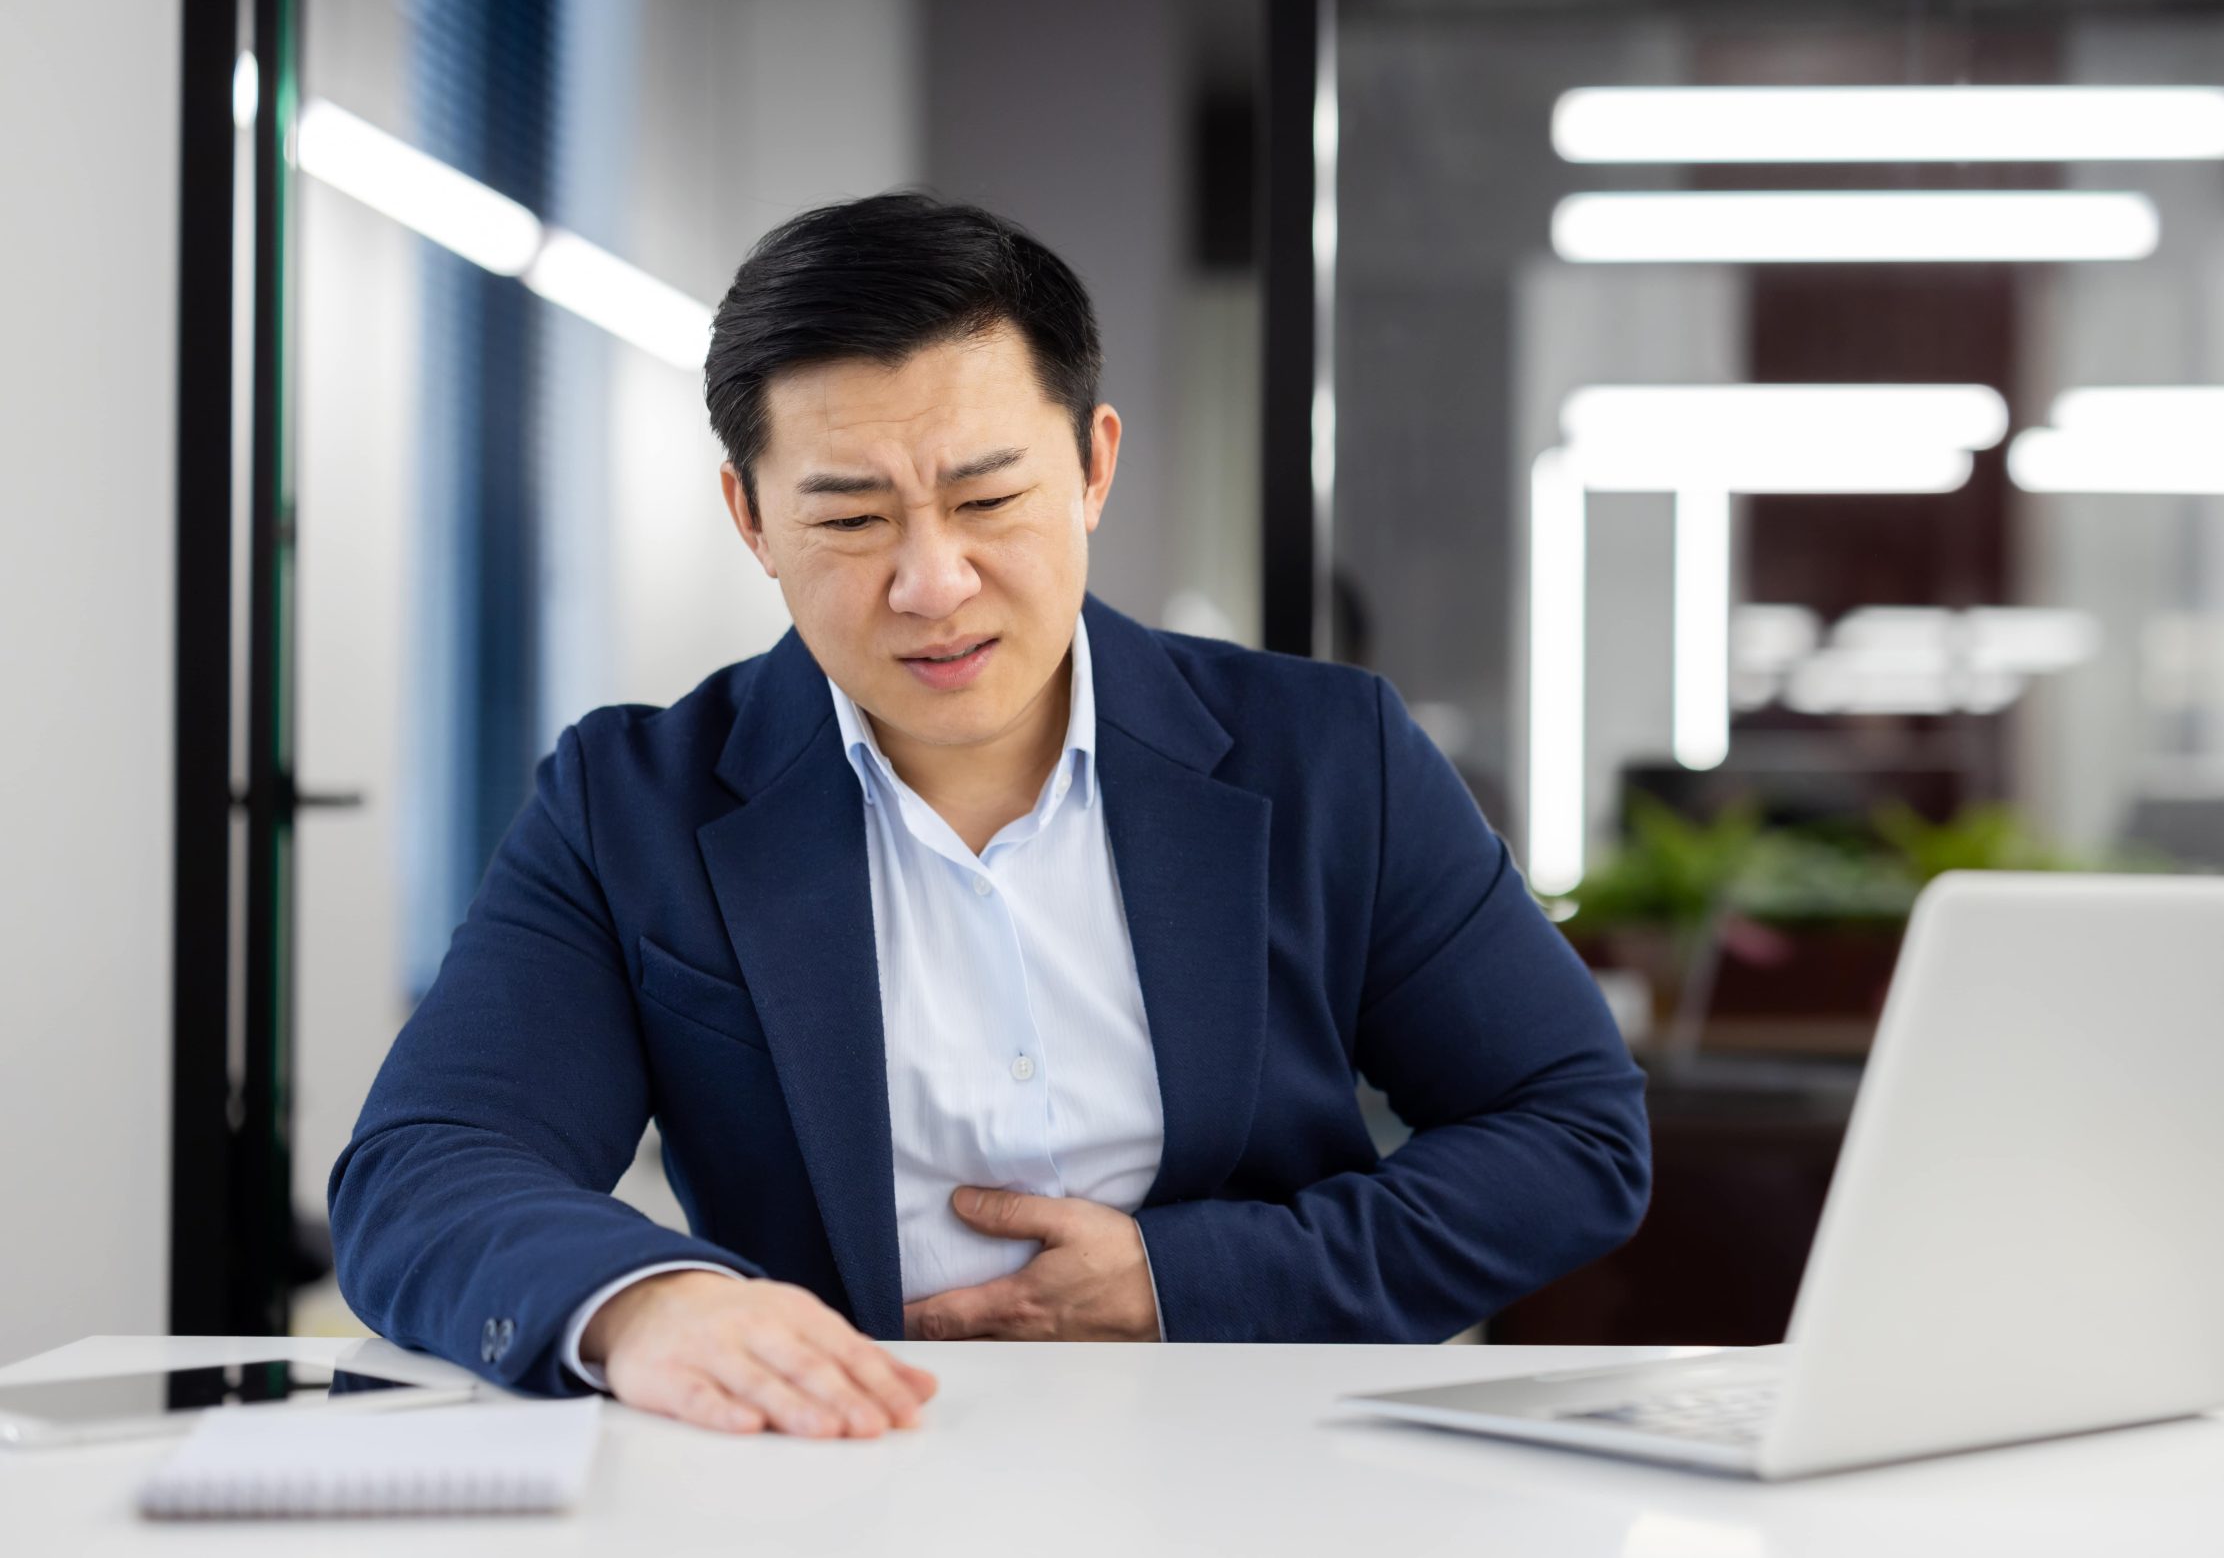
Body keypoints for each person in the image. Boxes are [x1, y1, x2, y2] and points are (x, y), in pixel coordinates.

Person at [328, 193, 1651, 1440]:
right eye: (849, 517)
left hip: (1257, 1469)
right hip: (828, 1475)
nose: (932, 582)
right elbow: (427, 1170)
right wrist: (645, 1306)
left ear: (1093, 467)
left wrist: (1182, 1280)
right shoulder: (635, 803)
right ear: (751, 519)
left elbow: (1568, 1131)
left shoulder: (1325, 755)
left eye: (988, 500)